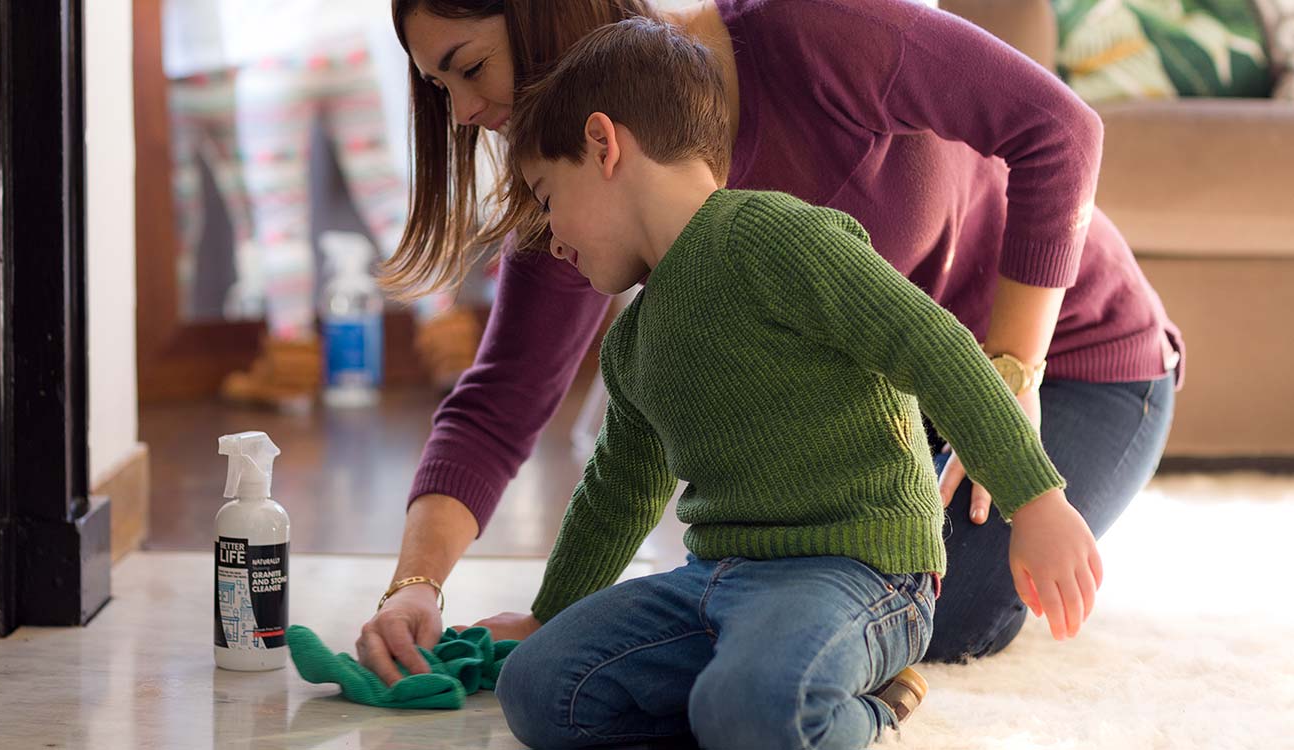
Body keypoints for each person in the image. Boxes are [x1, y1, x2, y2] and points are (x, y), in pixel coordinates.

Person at [356, 0, 1179, 683]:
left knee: (926, 607)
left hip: (1073, 359)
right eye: (439, 89)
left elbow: (1061, 130)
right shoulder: (576, 203)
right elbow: (501, 404)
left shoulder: (806, 30)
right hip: (887, 412)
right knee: (777, 597)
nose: (461, 114)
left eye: (466, 68)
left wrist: (1011, 375)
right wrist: (415, 587)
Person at [481, 19, 1101, 748]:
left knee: (748, 708)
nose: (551, 238)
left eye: (547, 197)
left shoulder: (776, 235)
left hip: (858, 572)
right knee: (538, 690)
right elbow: (617, 493)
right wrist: (549, 615)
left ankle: (866, 710)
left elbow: (934, 346)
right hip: (714, 582)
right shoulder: (633, 341)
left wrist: (1037, 501)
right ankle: (759, 711)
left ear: (602, 144)